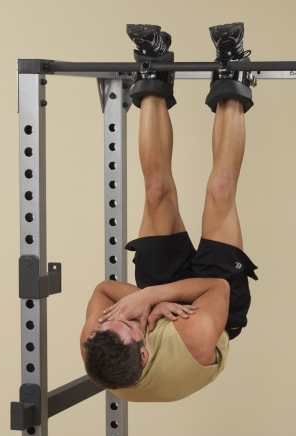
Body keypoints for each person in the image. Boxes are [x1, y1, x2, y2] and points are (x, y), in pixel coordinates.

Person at [80, 22, 258, 402]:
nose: (120, 316)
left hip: (164, 301)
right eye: (129, 323)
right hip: (211, 306)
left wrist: (151, 301)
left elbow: (104, 290)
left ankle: (154, 65)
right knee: (220, 189)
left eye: (113, 321)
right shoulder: (195, 341)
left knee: (156, 190)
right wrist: (152, 300)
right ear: (144, 352)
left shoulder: (95, 345)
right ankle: (233, 66)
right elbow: (217, 287)